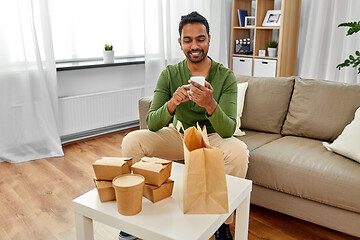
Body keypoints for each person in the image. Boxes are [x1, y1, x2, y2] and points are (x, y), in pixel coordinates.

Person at [119, 11, 249, 240]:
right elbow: (152, 122)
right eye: (188, 40)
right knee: (131, 140)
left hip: (212, 137)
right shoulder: (169, 74)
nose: (194, 45)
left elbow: (228, 130)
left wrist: (210, 104)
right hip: (178, 135)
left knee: (239, 152)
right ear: (180, 43)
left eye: (200, 39)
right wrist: (172, 103)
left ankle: (223, 222)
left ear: (209, 39)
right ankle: (139, 210)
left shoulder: (226, 76)